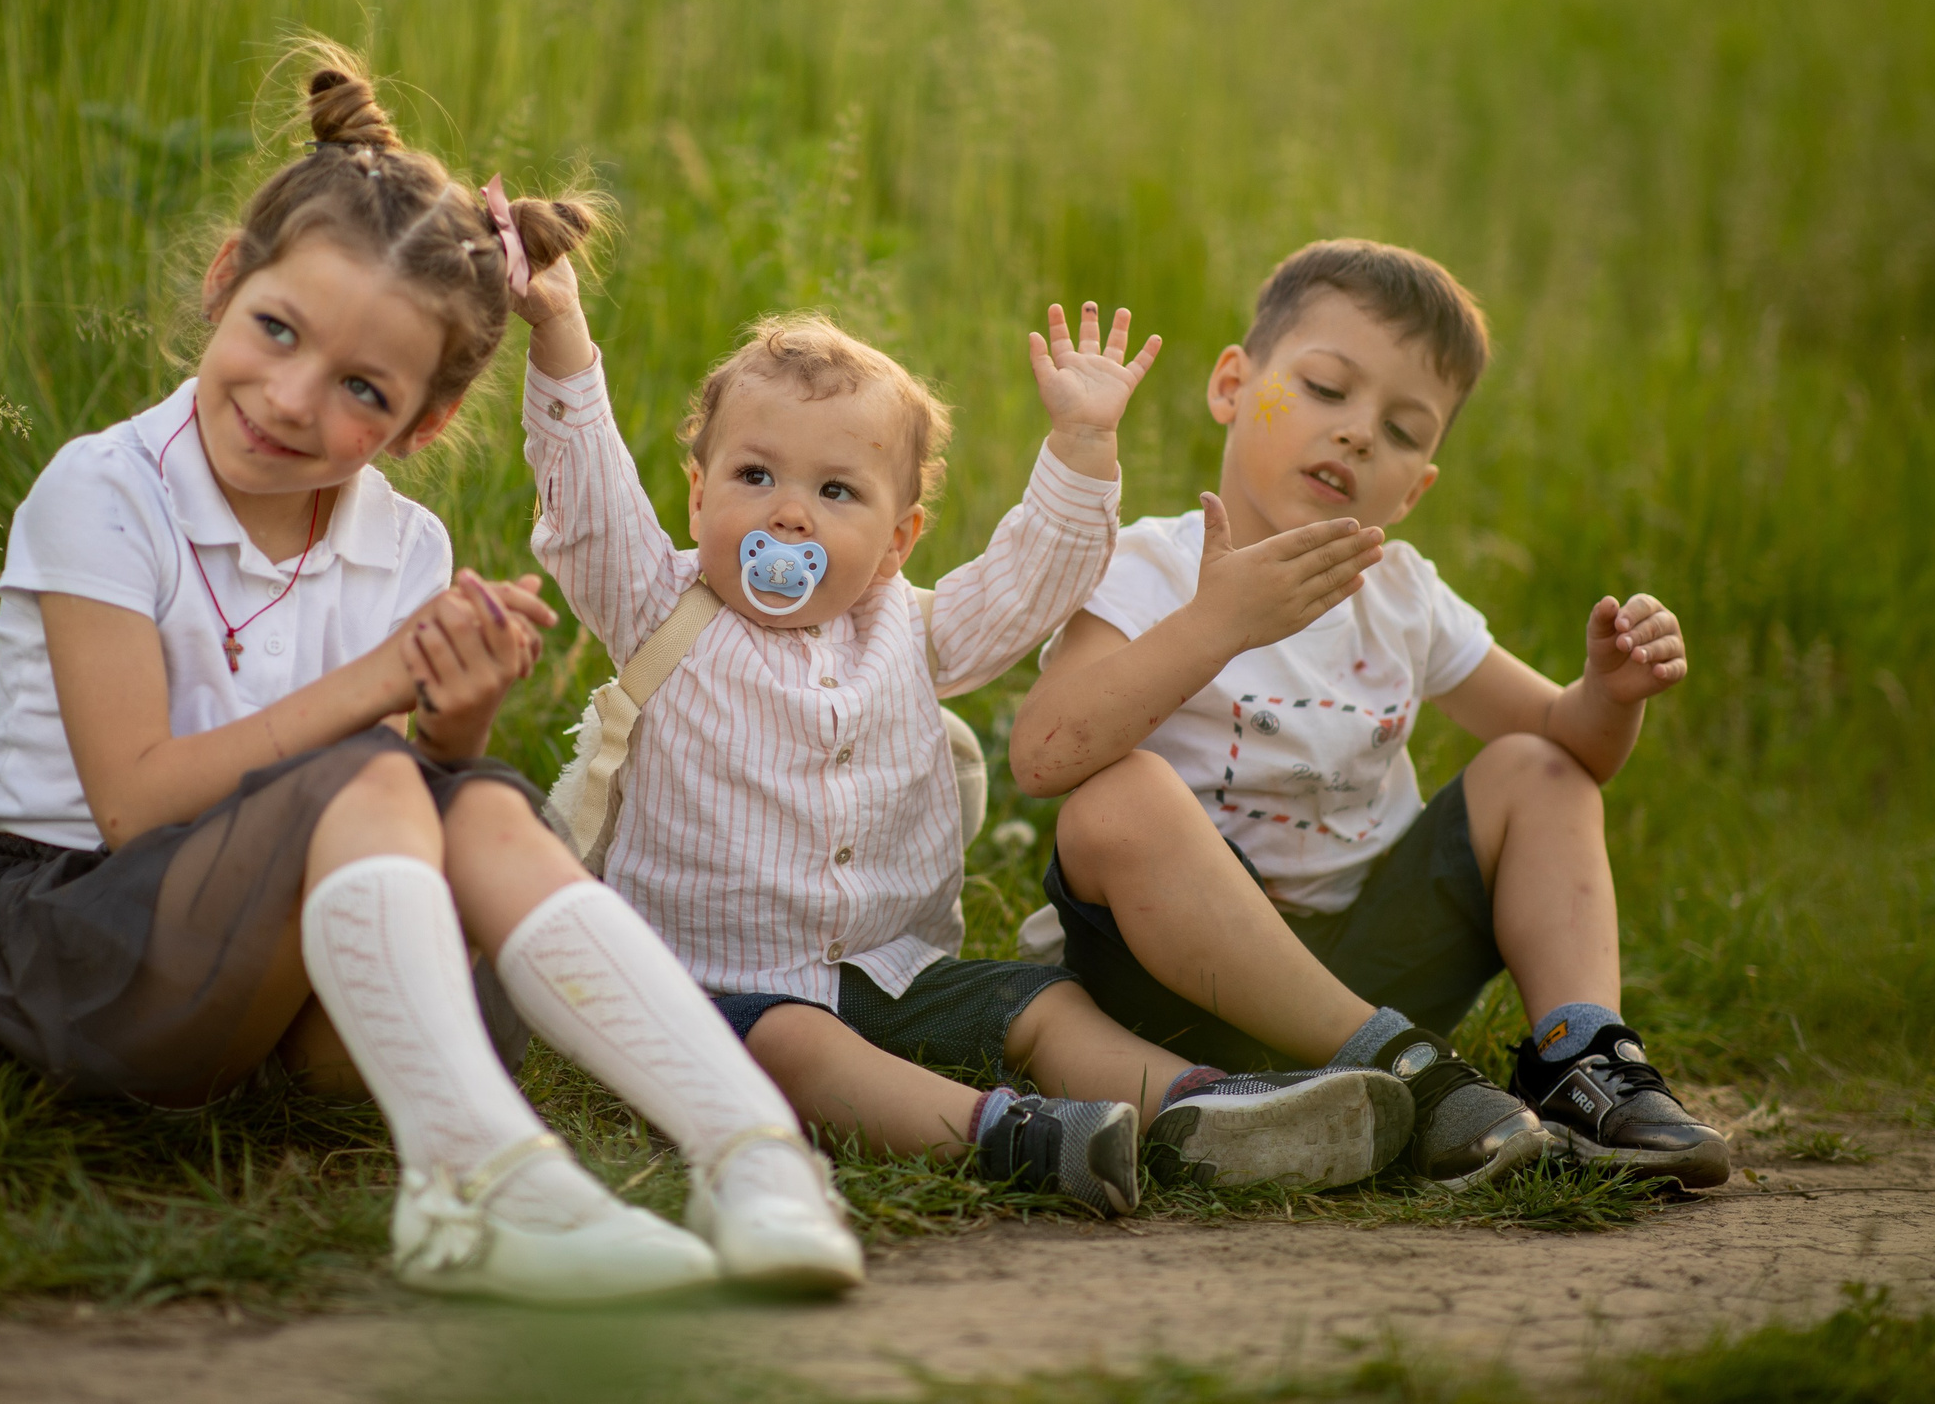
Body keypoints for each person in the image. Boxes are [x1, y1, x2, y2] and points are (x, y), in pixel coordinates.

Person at [0, 46, 865, 1302]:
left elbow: (409, 803)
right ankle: (475, 1185)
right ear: (225, 282)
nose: (290, 398)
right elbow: (137, 806)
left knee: (474, 798)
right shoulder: (101, 492)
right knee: (365, 768)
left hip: (286, 978)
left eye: (362, 387)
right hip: (82, 944)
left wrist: (459, 710)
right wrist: (381, 683)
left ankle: (748, 1151)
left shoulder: (402, 540)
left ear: (419, 425)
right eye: (276, 329)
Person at [513, 265, 1417, 1216]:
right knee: (792, 1047)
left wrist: (1081, 443)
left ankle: (1203, 1108)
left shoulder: (911, 628)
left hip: (895, 970)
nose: (790, 513)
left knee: (1041, 1007)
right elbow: (589, 497)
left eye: (836, 491)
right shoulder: (658, 604)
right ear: (698, 498)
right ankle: (1012, 1135)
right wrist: (561, 330)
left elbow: (1034, 580)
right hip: (715, 986)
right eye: (754, 475)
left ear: (898, 539)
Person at [1009, 239, 1729, 1190]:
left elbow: (1570, 749)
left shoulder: (1401, 595)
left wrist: (1609, 695)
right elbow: (1044, 756)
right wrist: (1215, 623)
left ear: (1418, 486)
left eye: (1402, 430)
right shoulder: (1148, 567)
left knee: (1534, 768)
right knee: (1114, 803)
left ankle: (1581, 1060)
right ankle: (1405, 1074)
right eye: (1326, 389)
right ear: (1232, 383)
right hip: (1176, 974)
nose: (1357, 435)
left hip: (1371, 969)